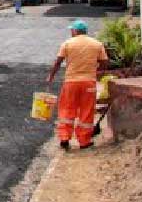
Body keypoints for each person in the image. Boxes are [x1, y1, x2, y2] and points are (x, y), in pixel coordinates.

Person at [47, 20, 109, 150]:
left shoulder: (68, 44)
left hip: (71, 82)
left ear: (75, 31)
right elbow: (104, 62)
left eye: (71, 30)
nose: (71, 32)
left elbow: (58, 62)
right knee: (86, 111)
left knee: (67, 109)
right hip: (89, 83)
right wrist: (97, 73)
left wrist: (51, 76)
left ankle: (64, 138)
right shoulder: (97, 44)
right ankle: (84, 141)